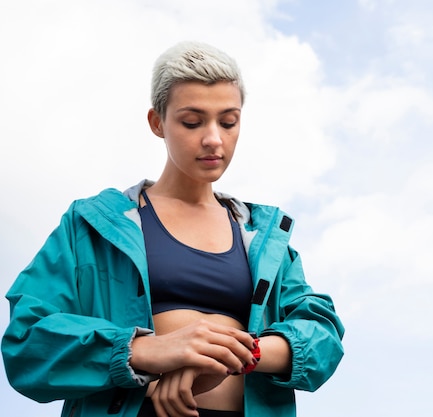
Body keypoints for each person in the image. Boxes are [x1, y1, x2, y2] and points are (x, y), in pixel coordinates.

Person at [1, 41, 345, 417]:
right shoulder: (92, 223)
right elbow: (28, 341)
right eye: (192, 122)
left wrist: (230, 356)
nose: (214, 138)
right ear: (157, 122)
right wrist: (145, 351)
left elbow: (321, 334)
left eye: (228, 121)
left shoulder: (264, 236)